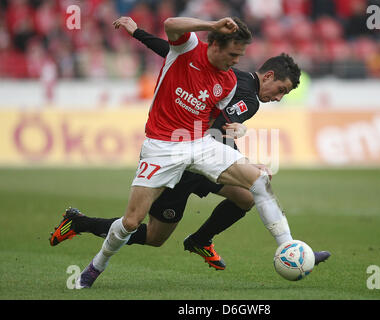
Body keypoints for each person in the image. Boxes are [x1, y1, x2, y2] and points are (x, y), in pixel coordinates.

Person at [49, 17, 330, 275]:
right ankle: (80, 222)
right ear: (268, 76)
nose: (279, 97)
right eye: (280, 90)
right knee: (152, 236)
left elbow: (173, 55)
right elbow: (212, 125)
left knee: (247, 196)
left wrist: (138, 33)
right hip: (182, 163)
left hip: (202, 161)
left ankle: (210, 240)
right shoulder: (243, 91)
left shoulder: (232, 77)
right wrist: (239, 151)